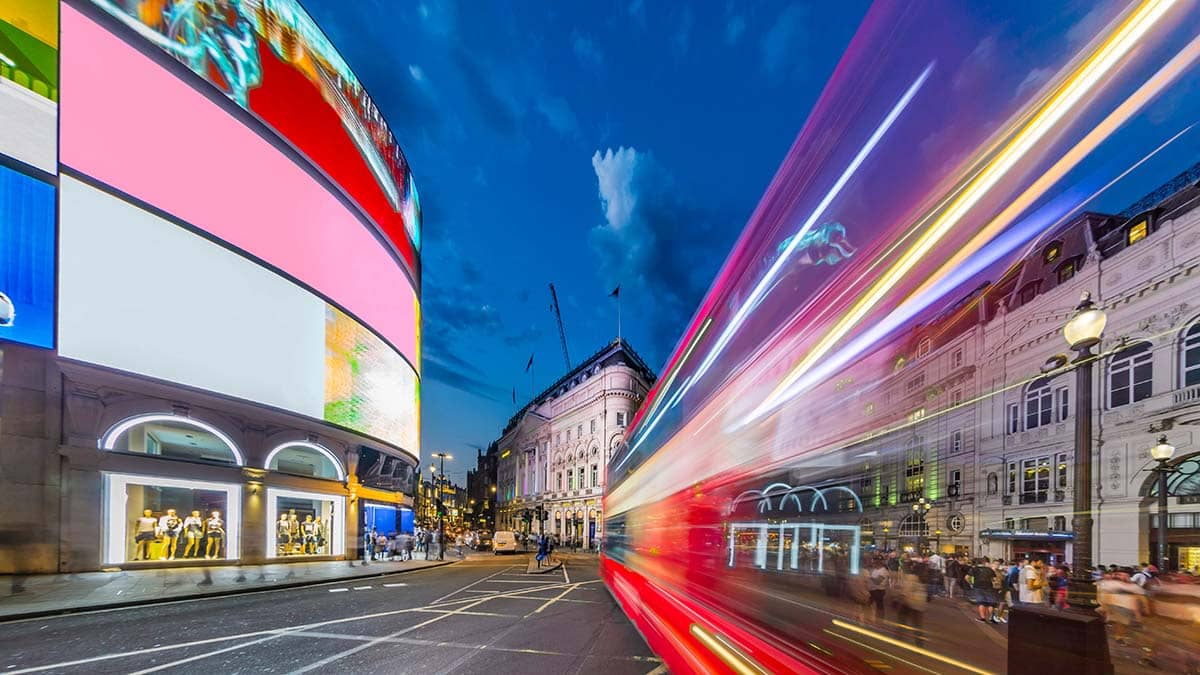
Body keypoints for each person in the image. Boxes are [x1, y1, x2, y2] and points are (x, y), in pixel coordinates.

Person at [969, 557, 999, 622]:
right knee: (990, 603)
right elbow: (995, 580)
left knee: (981, 602)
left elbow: (967, 577)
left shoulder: (975, 569)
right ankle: (991, 618)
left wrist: (971, 583)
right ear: (985, 563)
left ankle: (983, 618)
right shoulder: (990, 570)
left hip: (978, 587)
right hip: (989, 587)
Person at [867, 557, 890, 623]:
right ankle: (876, 618)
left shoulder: (883, 571)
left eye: (873, 563)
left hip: (879, 591)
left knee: (878, 605)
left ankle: (880, 619)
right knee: (873, 604)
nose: (872, 564)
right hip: (873, 590)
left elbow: (878, 581)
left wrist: (870, 577)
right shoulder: (875, 570)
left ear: (878, 563)